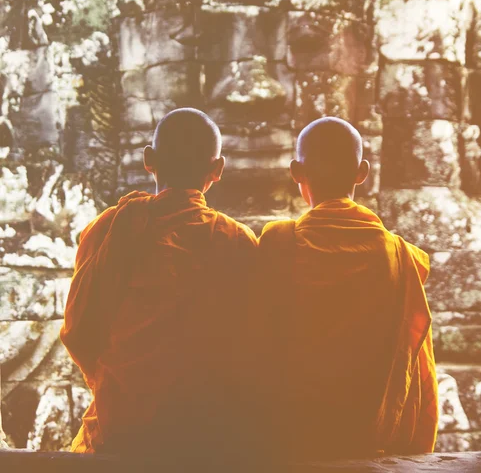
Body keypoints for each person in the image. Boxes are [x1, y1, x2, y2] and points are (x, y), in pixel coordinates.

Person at [60, 108, 258, 467]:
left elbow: (77, 331)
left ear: (149, 160)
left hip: (121, 425)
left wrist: (116, 385)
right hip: (207, 429)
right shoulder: (238, 241)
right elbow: (252, 342)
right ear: (218, 170)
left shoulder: (109, 229)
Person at [253, 116, 438, 462]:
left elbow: (253, 343)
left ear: (296, 172)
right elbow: (416, 366)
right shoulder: (399, 255)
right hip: (370, 442)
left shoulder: (277, 242)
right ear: (362, 172)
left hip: (290, 440)